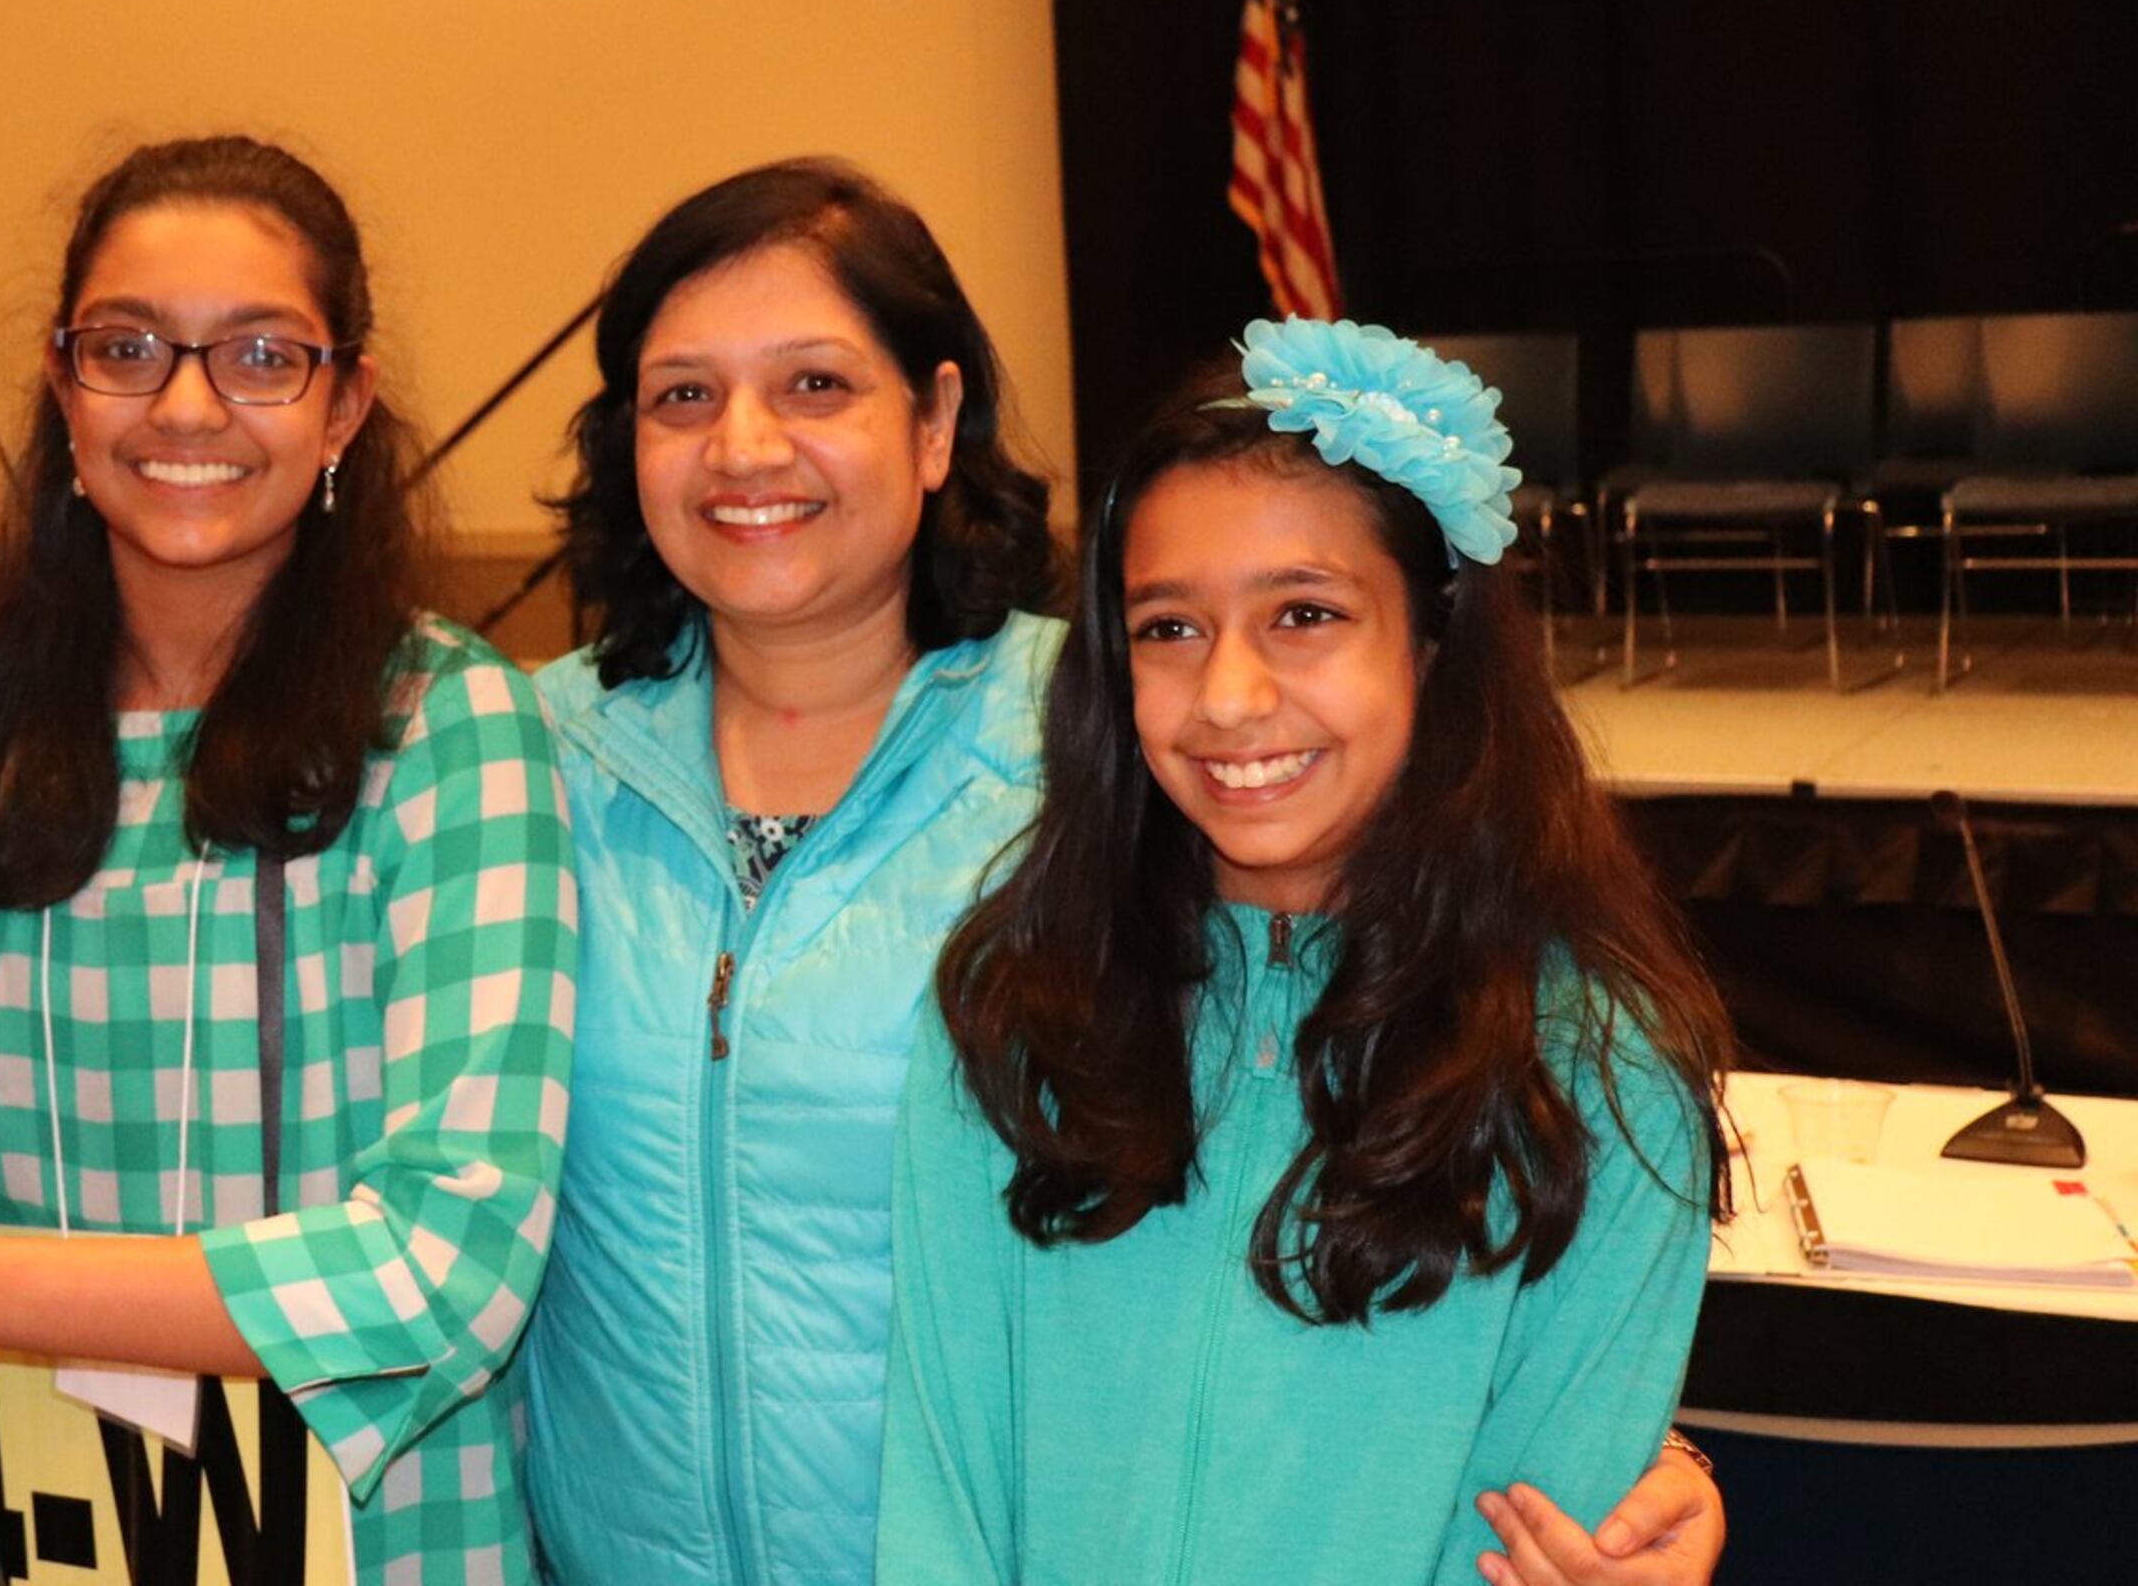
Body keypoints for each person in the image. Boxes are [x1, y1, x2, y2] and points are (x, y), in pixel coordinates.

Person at [512, 162, 1725, 1586]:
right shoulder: (520, 769)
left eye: (816, 383)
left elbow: (1505, 1267)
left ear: (936, 420)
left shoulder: (1095, 751)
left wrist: (1648, 1462)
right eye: (683, 395)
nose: (746, 445)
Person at [0, 136, 579, 1584]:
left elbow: (446, 1269)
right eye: (127, 348)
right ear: (61, 385)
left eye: (262, 356)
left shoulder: (443, 724)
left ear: (346, 403)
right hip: (20, 1530)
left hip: (373, 1543)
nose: (186, 405)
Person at [882, 320, 1736, 1586]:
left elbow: (1531, 1541)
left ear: (1431, 645)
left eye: (1304, 614)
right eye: (1168, 628)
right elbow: (940, 1485)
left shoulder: (1596, 1077)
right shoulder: (1016, 1003)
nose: (1228, 696)